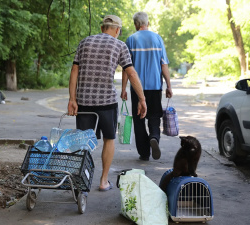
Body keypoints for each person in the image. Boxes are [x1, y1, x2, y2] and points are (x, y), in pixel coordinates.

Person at [67, 15, 147, 191]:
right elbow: (132, 74)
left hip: (84, 101)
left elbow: (74, 70)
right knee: (109, 139)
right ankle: (103, 181)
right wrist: (142, 99)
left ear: (103, 27)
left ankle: (80, 181)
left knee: (83, 142)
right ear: (117, 30)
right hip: (106, 103)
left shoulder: (84, 42)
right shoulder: (119, 45)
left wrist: (72, 99)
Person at [121, 12, 173, 161]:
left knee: (139, 120)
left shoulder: (131, 40)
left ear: (136, 24)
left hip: (137, 89)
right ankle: (154, 138)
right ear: (147, 23)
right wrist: (169, 86)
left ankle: (144, 153)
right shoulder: (157, 39)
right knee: (154, 116)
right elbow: (164, 65)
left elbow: (127, 68)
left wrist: (123, 88)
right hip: (155, 86)